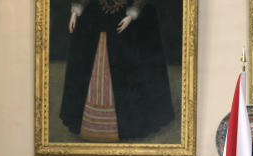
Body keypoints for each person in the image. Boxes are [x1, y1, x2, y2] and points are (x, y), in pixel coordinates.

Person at [59, 0, 174, 142]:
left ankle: (130, 125)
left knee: (131, 60)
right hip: (99, 18)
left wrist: (131, 15)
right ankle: (93, 124)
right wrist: (75, 12)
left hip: (127, 17)